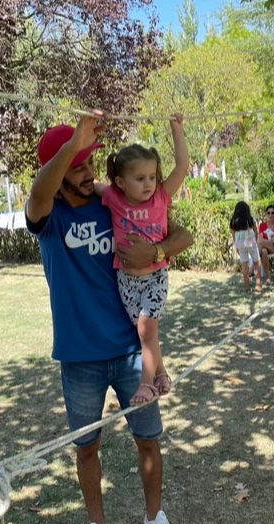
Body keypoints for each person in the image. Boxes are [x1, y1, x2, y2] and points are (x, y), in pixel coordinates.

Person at [26, 112, 192, 524]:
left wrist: (156, 253)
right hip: (79, 357)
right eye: (76, 167)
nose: (88, 173)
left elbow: (180, 234)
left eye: (89, 163)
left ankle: (154, 520)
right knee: (86, 448)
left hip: (131, 350)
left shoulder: (114, 204)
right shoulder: (49, 216)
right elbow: (38, 191)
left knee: (149, 439)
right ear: (59, 172)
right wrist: (71, 146)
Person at [95, 114, 188, 406]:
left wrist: (176, 129)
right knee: (145, 333)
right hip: (126, 279)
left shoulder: (160, 197)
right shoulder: (113, 197)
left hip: (155, 277)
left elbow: (182, 167)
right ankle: (161, 374)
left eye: (151, 177)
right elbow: (90, 184)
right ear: (120, 182)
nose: (148, 184)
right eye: (140, 179)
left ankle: (146, 384)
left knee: (147, 327)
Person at [230, 201, 263, 293]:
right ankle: (258, 285)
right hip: (251, 244)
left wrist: (236, 246)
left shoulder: (233, 222)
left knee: (244, 265)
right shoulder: (250, 219)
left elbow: (233, 235)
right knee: (256, 263)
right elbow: (256, 231)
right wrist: (255, 240)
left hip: (241, 246)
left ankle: (247, 287)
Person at [257, 204, 274, 283]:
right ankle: (268, 277)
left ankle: (253, 266)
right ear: (266, 214)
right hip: (265, 247)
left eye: (272, 213)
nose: (270, 215)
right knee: (263, 251)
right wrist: (268, 241)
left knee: (261, 243)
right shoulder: (262, 225)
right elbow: (260, 238)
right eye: (268, 213)